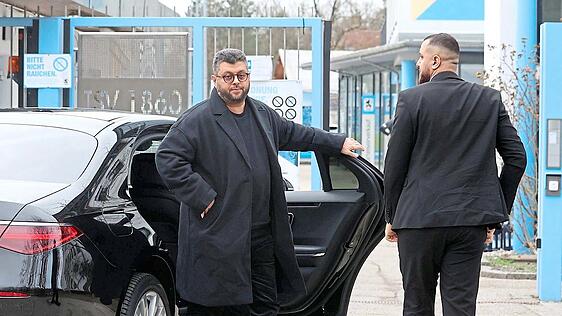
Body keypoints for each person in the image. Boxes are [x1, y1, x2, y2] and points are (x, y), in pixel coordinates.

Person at [155, 48, 365, 315]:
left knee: (266, 306)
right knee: (225, 308)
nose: (236, 82)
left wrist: (337, 142)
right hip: (221, 235)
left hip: (261, 236)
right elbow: (167, 158)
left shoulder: (261, 114)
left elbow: (296, 134)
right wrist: (201, 195)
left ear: (248, 76)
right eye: (228, 76)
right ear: (215, 79)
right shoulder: (198, 119)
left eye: (241, 75)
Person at [383, 33, 526, 316]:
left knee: (416, 305)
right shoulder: (488, 99)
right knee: (461, 308)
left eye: (421, 58)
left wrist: (392, 216)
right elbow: (517, 159)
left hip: (418, 221)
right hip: (469, 221)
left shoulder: (411, 100)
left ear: (435, 61)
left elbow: (394, 166)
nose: (419, 63)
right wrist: (495, 215)